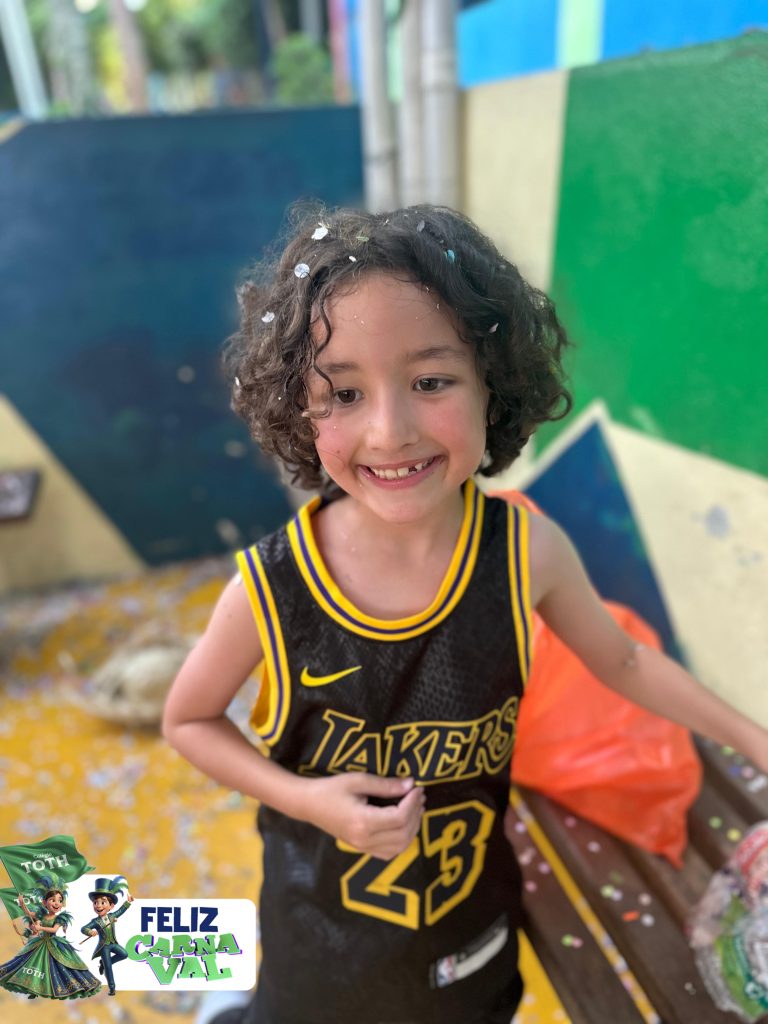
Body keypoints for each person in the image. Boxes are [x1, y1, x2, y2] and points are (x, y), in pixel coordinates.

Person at [163, 204, 768, 1024]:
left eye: (430, 382)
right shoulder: (272, 587)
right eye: (344, 392)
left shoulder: (526, 552)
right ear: (298, 408)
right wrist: (308, 801)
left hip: (470, 931)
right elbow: (189, 720)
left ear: (494, 382)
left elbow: (624, 661)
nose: (390, 431)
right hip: (318, 947)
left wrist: (755, 742)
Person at [0, 877, 101, 1000]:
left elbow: (54, 930)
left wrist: (40, 928)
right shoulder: (41, 915)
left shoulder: (59, 918)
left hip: (54, 945)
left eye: (59, 900)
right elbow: (28, 914)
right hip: (39, 943)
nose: (57, 903)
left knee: (54, 968)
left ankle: (54, 989)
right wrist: (22, 903)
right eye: (53, 900)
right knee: (35, 965)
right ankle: (33, 988)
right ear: (44, 902)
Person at [80, 876, 133, 996]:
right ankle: (112, 988)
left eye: (103, 902)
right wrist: (90, 932)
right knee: (108, 968)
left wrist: (128, 902)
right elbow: (84, 928)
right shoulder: (95, 921)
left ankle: (103, 964)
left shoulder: (112, 916)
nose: (98, 906)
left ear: (111, 906)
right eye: (95, 903)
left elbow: (121, 911)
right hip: (104, 946)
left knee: (124, 954)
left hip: (113, 943)